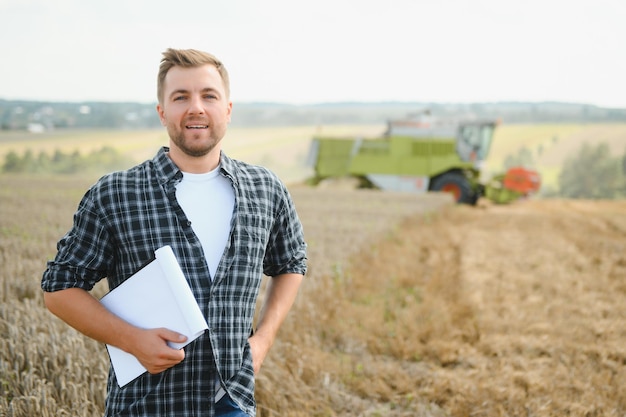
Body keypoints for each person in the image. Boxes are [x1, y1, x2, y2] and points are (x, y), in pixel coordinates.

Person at [41, 48, 307, 417]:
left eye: (208, 95)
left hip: (232, 403)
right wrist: (132, 341)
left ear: (227, 109)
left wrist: (262, 341)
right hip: (147, 406)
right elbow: (58, 288)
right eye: (180, 97)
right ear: (162, 111)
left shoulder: (266, 189)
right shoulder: (116, 193)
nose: (196, 107)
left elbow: (291, 262)